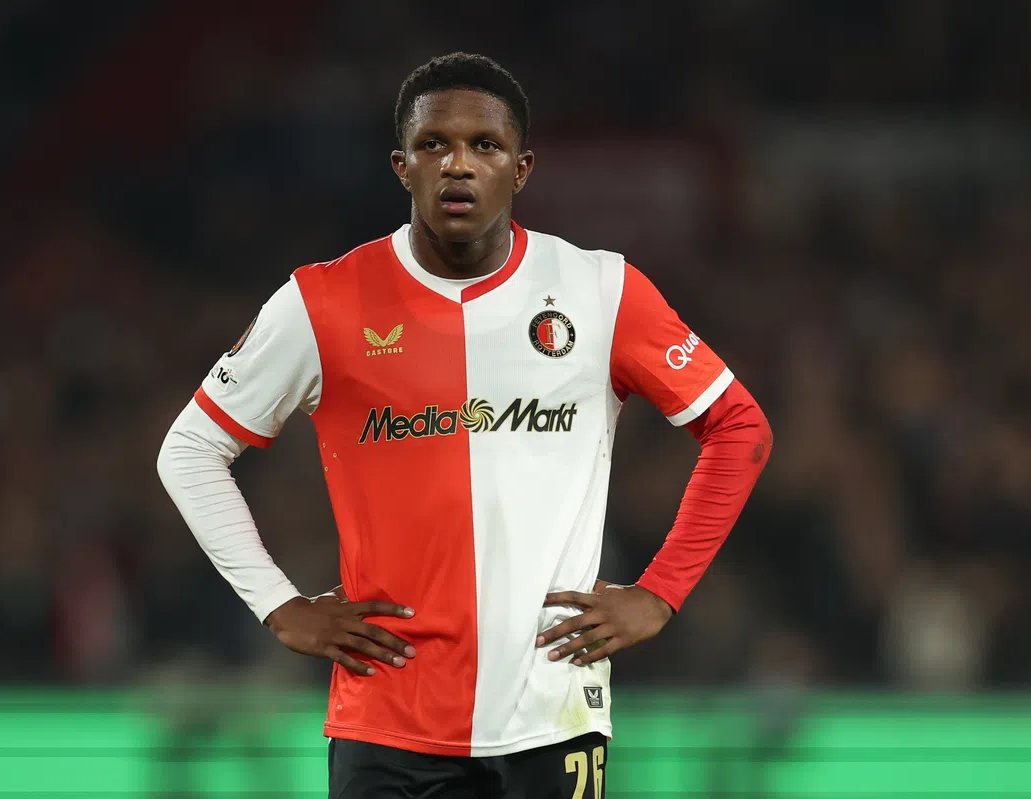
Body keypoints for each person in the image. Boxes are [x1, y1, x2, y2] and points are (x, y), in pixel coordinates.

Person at [158, 52, 772, 799]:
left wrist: (660, 591)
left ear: (521, 168)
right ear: (402, 166)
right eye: (433, 145)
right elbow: (189, 449)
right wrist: (278, 606)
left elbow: (739, 426)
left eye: (485, 145)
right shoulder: (323, 302)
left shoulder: (600, 290)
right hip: (386, 724)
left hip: (553, 717)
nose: (458, 164)